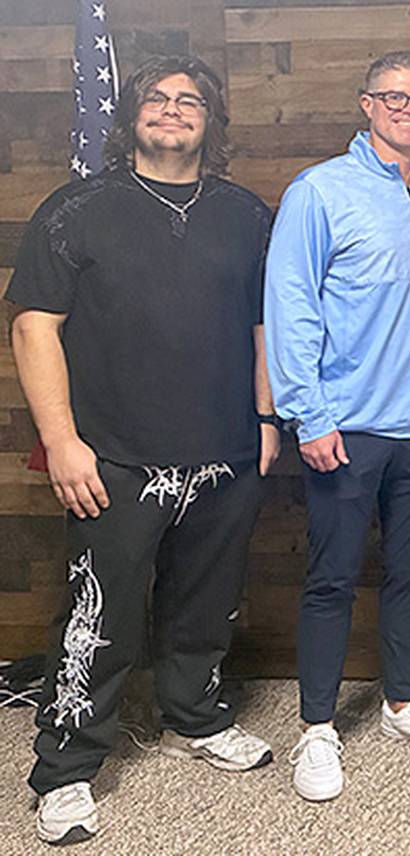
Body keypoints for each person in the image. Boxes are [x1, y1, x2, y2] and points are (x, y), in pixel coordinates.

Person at [9, 55, 277, 845]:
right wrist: (61, 442)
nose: (172, 110)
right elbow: (33, 326)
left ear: (210, 122)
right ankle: (64, 770)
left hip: (225, 453)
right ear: (131, 117)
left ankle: (195, 717)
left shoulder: (244, 213)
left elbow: (267, 325)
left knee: (204, 606)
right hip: (115, 460)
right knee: (102, 617)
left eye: (190, 101)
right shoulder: (76, 209)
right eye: (157, 99)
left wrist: (266, 421)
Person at [266, 50, 410, 803]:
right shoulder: (319, 191)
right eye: (395, 97)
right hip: (346, 427)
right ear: (367, 104)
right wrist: (307, 416)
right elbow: (290, 305)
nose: (409, 109)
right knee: (331, 579)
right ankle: (317, 728)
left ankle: (403, 702)